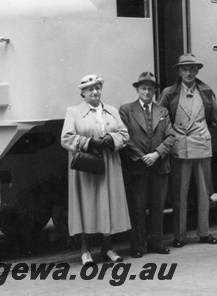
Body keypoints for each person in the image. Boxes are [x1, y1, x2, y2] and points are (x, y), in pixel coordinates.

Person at [61, 74, 130, 265]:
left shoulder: (112, 111)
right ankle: (85, 249)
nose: (95, 91)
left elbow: (124, 134)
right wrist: (89, 142)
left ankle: (108, 247)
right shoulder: (73, 112)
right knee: (87, 204)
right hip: (87, 165)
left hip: (109, 164)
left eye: (97, 87)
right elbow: (66, 138)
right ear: (82, 93)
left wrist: (111, 139)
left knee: (107, 204)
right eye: (90, 89)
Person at [157, 53, 217, 248]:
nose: (189, 72)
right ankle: (179, 235)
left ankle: (204, 232)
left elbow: (214, 120)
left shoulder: (207, 91)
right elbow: (160, 118)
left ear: (197, 70)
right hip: (180, 147)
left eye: (192, 68)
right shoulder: (169, 93)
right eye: (185, 69)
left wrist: (202, 132)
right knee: (179, 193)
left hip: (201, 145)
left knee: (204, 192)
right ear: (179, 71)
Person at [119, 71, 174, 258]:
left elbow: (171, 136)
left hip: (159, 165)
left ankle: (157, 243)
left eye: (150, 89)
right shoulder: (126, 110)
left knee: (158, 207)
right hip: (138, 167)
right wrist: (143, 157)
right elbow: (125, 137)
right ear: (137, 89)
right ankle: (138, 246)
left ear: (154, 91)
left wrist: (157, 154)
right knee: (138, 207)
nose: (147, 92)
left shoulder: (162, 111)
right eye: (143, 88)